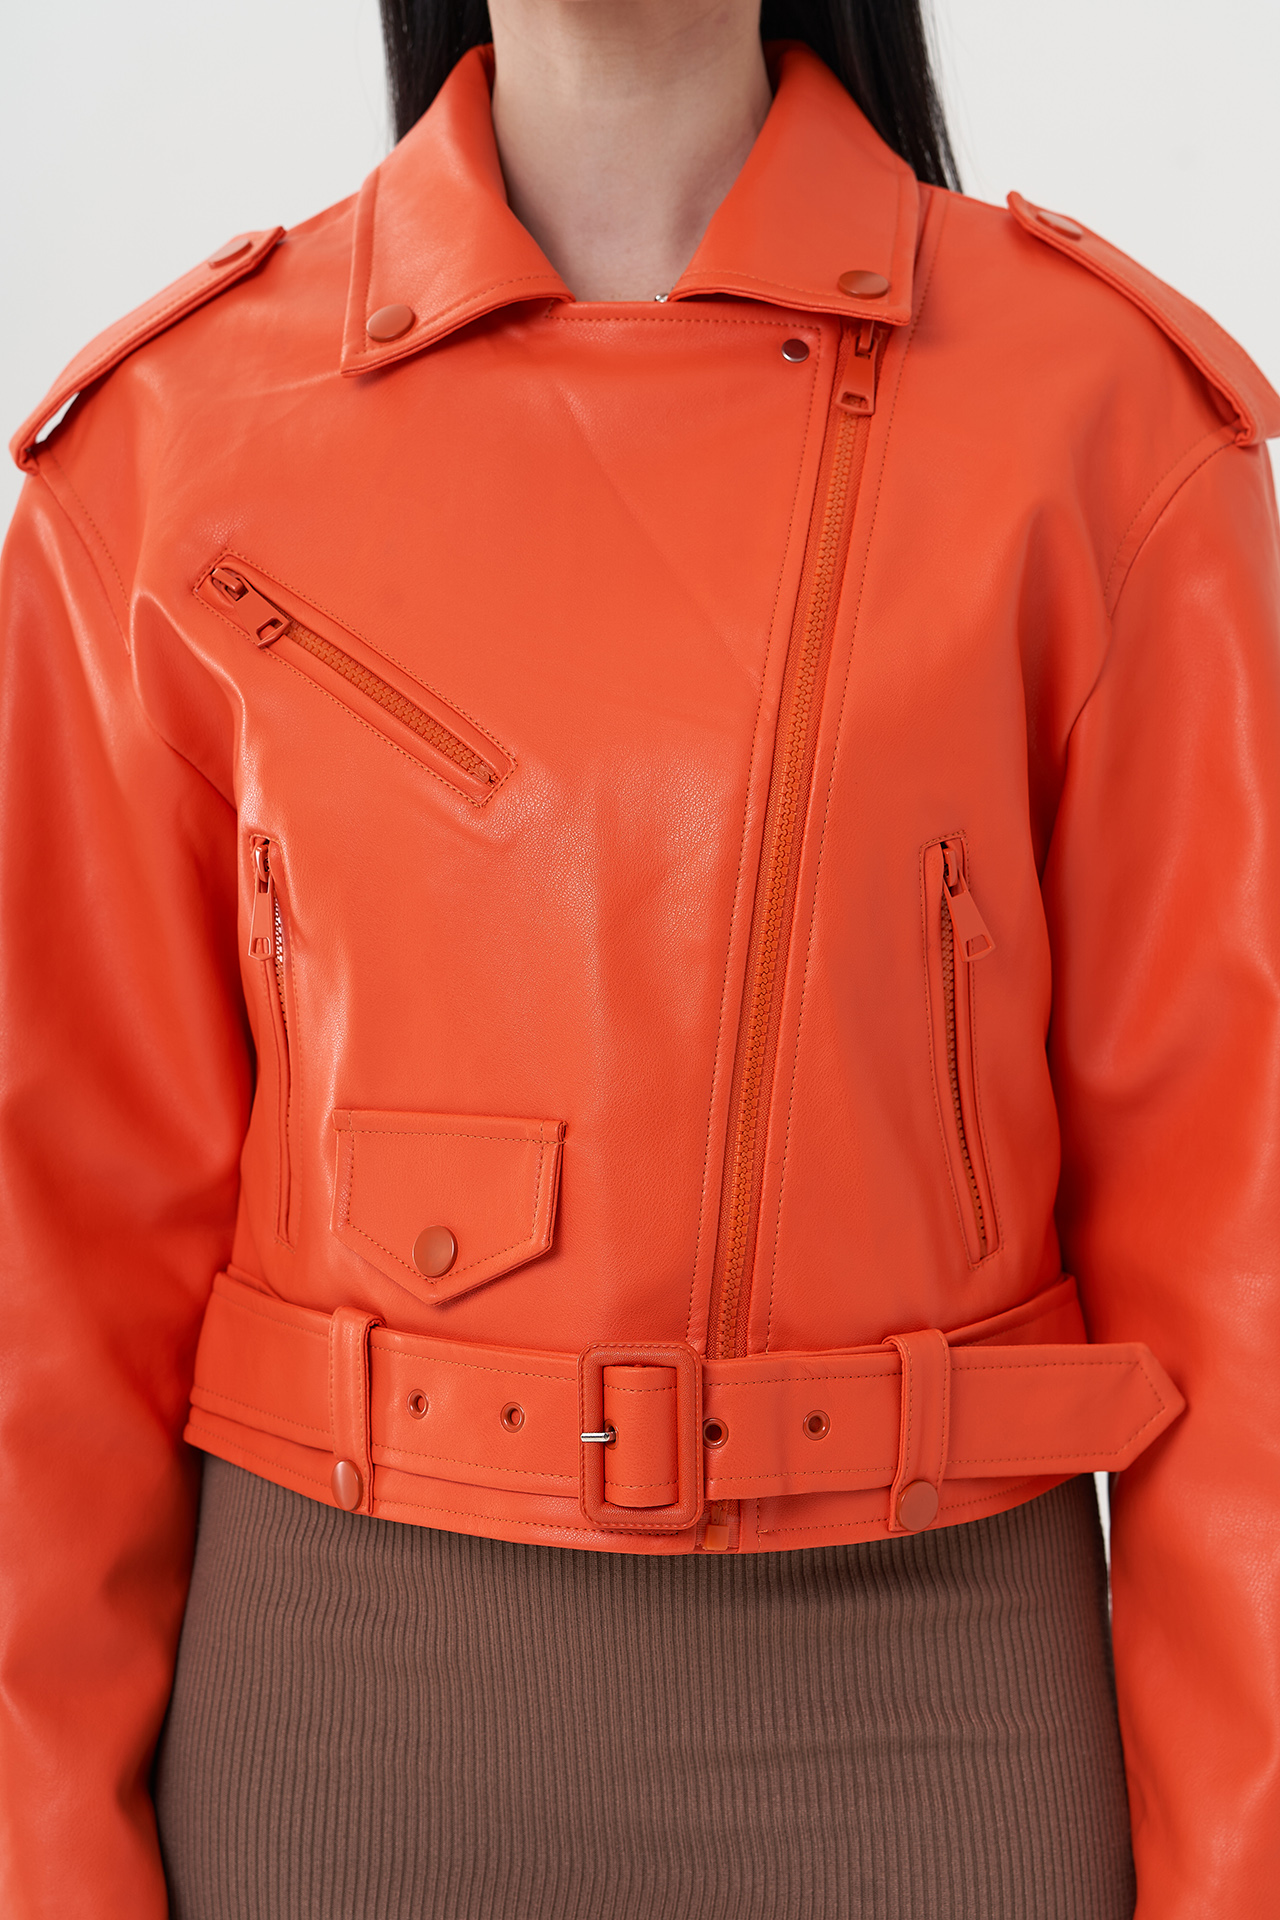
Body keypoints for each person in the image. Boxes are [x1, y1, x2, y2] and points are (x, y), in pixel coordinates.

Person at [1, 1, 1277, 1915]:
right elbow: (50, 1283)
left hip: (927, 1706)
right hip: (342, 1717)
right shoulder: (166, 449)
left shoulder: (1102, 417)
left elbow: (1242, 1264)